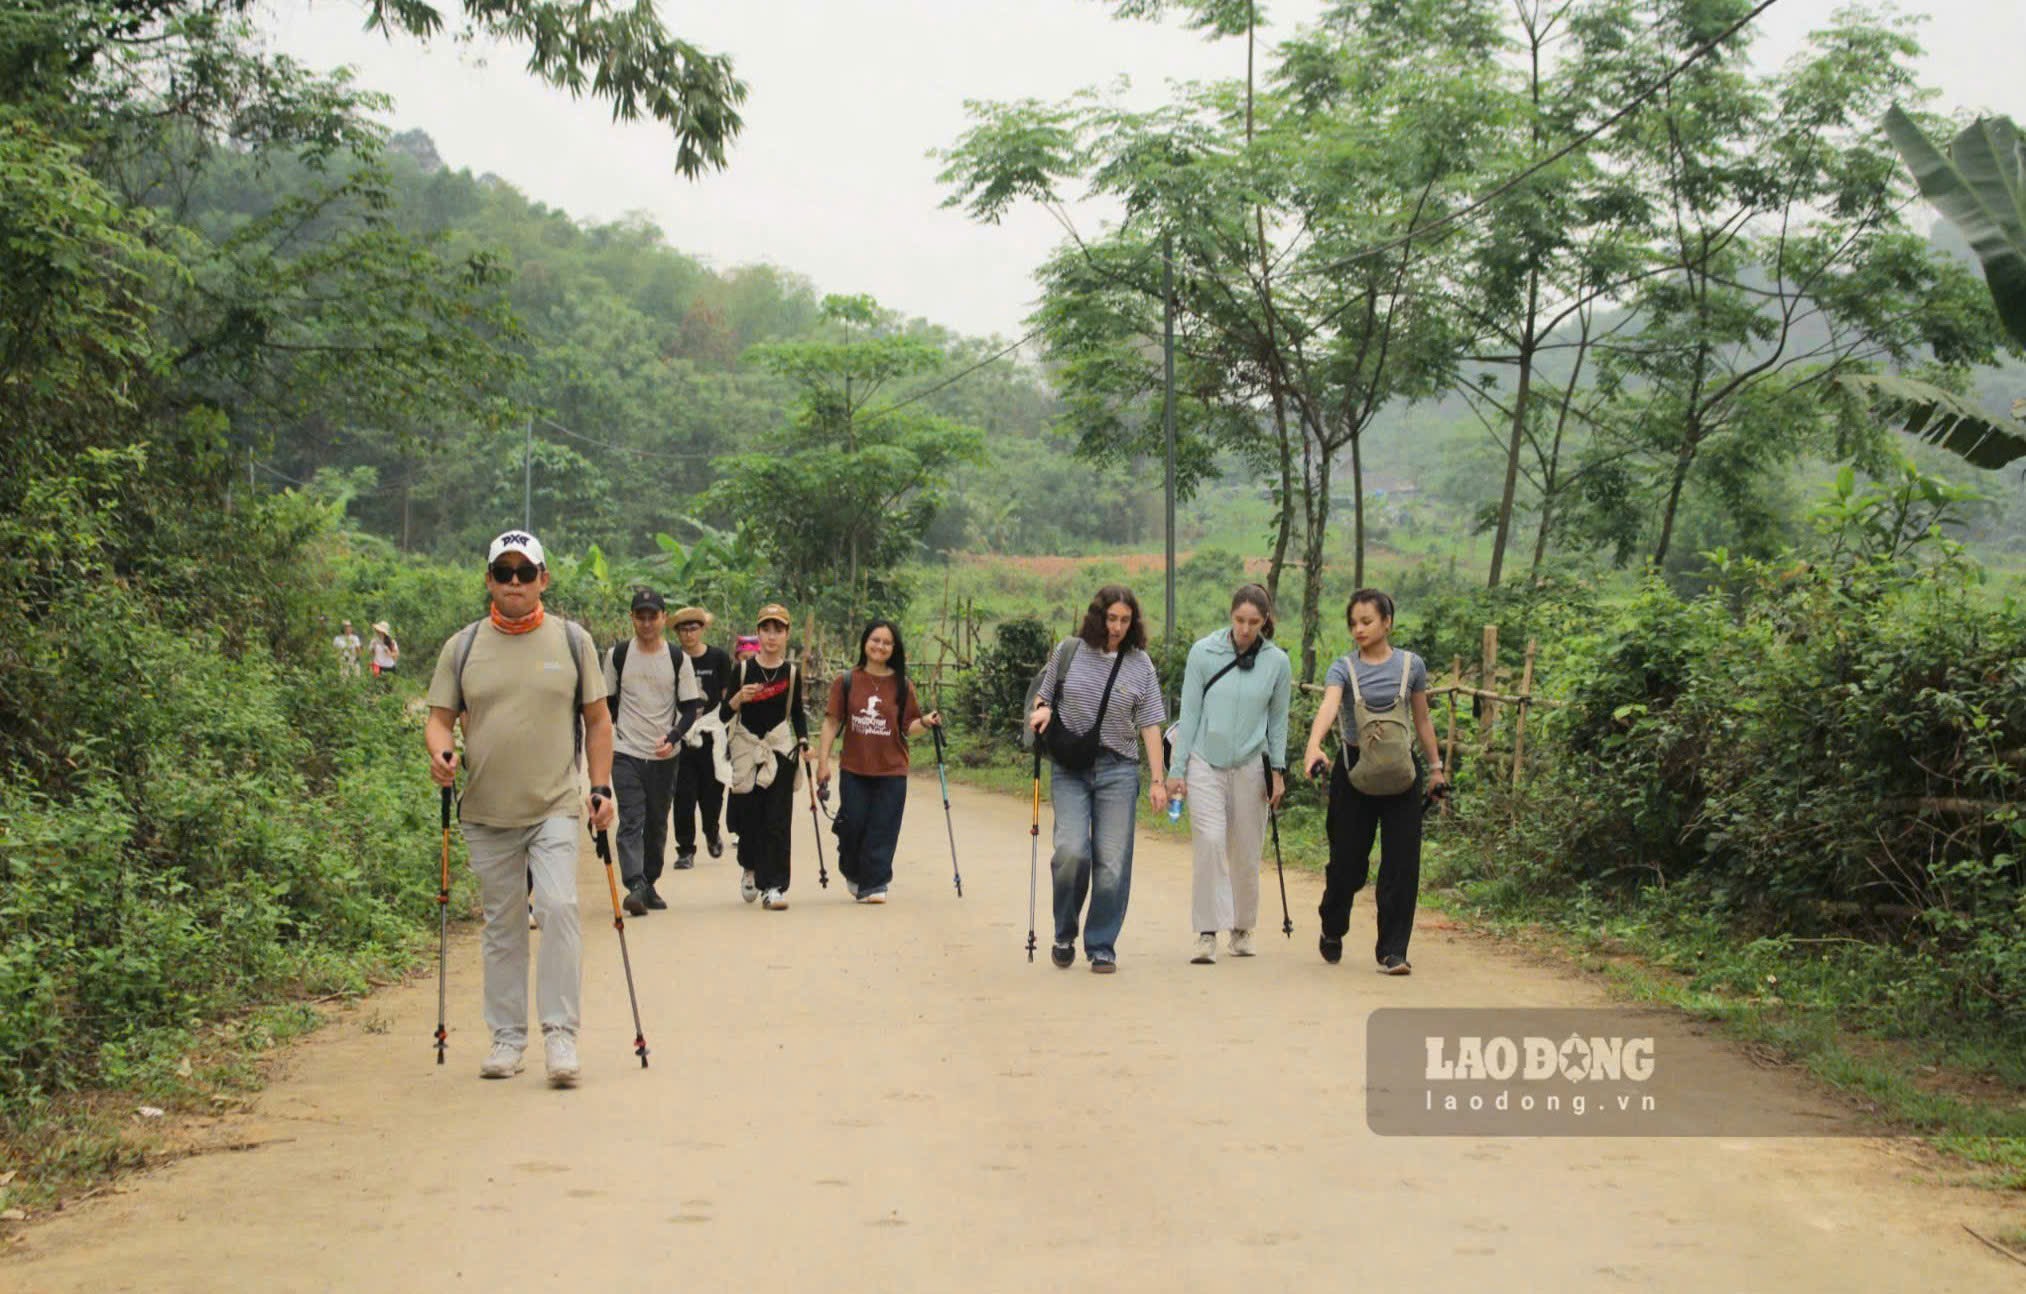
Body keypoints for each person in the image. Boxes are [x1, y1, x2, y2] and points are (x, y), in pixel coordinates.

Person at [425, 530, 614, 1087]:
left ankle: (561, 1035)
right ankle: (507, 1038)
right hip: (486, 812)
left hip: (553, 805)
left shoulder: (572, 641)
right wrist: (441, 752)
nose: (514, 582)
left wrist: (600, 787)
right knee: (503, 925)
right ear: (489, 580)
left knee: (558, 907)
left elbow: (598, 720)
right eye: (503, 572)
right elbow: (439, 718)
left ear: (543, 580)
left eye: (525, 572)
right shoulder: (463, 646)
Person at [1301, 588, 1448, 975]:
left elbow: (1422, 719)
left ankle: (1393, 950)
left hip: (1402, 775)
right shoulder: (1342, 668)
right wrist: (1314, 746)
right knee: (1347, 864)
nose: (1359, 629)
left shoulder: (1411, 666)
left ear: (1387, 622)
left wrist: (1436, 768)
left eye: (1367, 621)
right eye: (1353, 623)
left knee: (1402, 865)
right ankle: (1333, 926)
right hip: (1354, 775)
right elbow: (1329, 705)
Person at [1027, 584, 1168, 973]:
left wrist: (1158, 780)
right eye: (1111, 618)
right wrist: (1042, 711)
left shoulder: (1140, 664)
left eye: (1125, 620)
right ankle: (1064, 931)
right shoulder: (1070, 651)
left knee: (1112, 862)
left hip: (1118, 768)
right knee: (1071, 851)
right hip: (1070, 766)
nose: (1117, 627)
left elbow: (1150, 724)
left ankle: (1102, 944)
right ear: (1097, 617)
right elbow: (1044, 696)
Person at [1164, 584, 1292, 964]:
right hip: (1205, 761)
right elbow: (1189, 714)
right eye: (1239, 620)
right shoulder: (1203, 652)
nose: (1245, 629)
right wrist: (1177, 770)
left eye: (1254, 622)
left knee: (1247, 851)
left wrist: (1278, 771)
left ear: (1265, 621)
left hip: (1251, 764)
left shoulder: (1277, 662)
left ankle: (1241, 927)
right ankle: (1207, 933)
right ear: (1230, 615)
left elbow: (1278, 722)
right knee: (1210, 842)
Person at [814, 620, 942, 905]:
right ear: (864, 642)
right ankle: (852, 870)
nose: (880, 646)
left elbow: (908, 726)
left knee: (883, 828)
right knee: (853, 826)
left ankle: (875, 882)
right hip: (854, 768)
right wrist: (822, 763)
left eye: (886, 642)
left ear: (894, 649)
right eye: (875, 640)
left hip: (891, 769)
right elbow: (831, 722)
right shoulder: (846, 681)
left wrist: (925, 722)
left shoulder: (902, 685)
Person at [603, 588, 705, 916]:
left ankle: (649, 881)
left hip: (664, 756)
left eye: (652, 616)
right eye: (640, 617)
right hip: (626, 751)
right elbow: (607, 703)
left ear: (663, 618)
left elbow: (690, 707)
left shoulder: (677, 659)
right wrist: (614, 735)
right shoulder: (618, 655)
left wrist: (673, 737)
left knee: (658, 821)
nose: (646, 623)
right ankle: (635, 884)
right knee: (632, 818)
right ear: (632, 618)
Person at [722, 604, 807, 910]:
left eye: (778, 630)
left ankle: (774, 887)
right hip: (747, 751)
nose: (772, 636)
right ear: (757, 633)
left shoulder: (791, 673)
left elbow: (797, 712)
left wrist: (804, 741)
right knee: (750, 818)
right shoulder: (743, 670)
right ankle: (749, 865)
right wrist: (738, 698)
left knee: (777, 820)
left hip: (779, 750)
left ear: (787, 634)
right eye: (766, 629)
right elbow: (723, 714)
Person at [669, 606, 732, 869]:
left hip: (712, 733)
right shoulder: (672, 658)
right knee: (683, 795)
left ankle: (711, 830)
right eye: (683, 629)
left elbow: (727, 695)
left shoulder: (718, 658)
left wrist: (728, 729)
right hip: (682, 734)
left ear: (702, 629)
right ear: (677, 633)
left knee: (712, 793)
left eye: (693, 628)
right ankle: (685, 849)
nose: (688, 634)